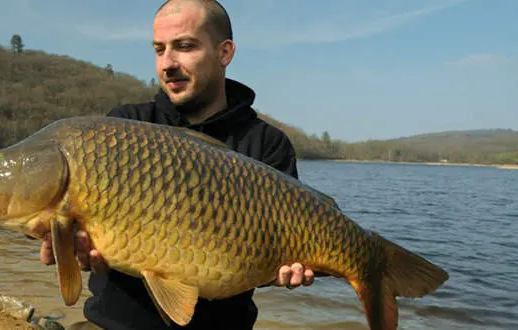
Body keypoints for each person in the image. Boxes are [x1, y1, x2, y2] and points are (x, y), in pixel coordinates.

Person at [39, 0, 316, 329]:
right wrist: (53, 236)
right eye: (159, 49)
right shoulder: (122, 127)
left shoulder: (267, 144)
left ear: (225, 52)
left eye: (184, 46)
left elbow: (276, 259)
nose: (167, 63)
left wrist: (283, 271)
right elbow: (63, 215)